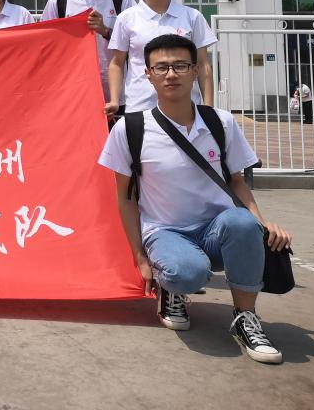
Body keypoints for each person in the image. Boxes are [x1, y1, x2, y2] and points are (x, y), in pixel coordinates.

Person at [99, 34, 291, 363]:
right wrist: (140, 257)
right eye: (161, 67)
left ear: (196, 70)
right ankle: (170, 287)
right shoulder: (130, 129)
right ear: (148, 74)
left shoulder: (220, 122)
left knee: (243, 224)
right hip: (165, 231)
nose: (171, 74)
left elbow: (237, 182)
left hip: (217, 229)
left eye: (180, 66)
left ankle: (245, 318)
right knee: (187, 272)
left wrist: (262, 225)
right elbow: (125, 198)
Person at [105, 0, 216, 122]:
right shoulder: (126, 18)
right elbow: (117, 63)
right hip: (140, 107)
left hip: (185, 109)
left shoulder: (192, 17)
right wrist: (114, 100)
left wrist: (208, 107)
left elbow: (203, 64)